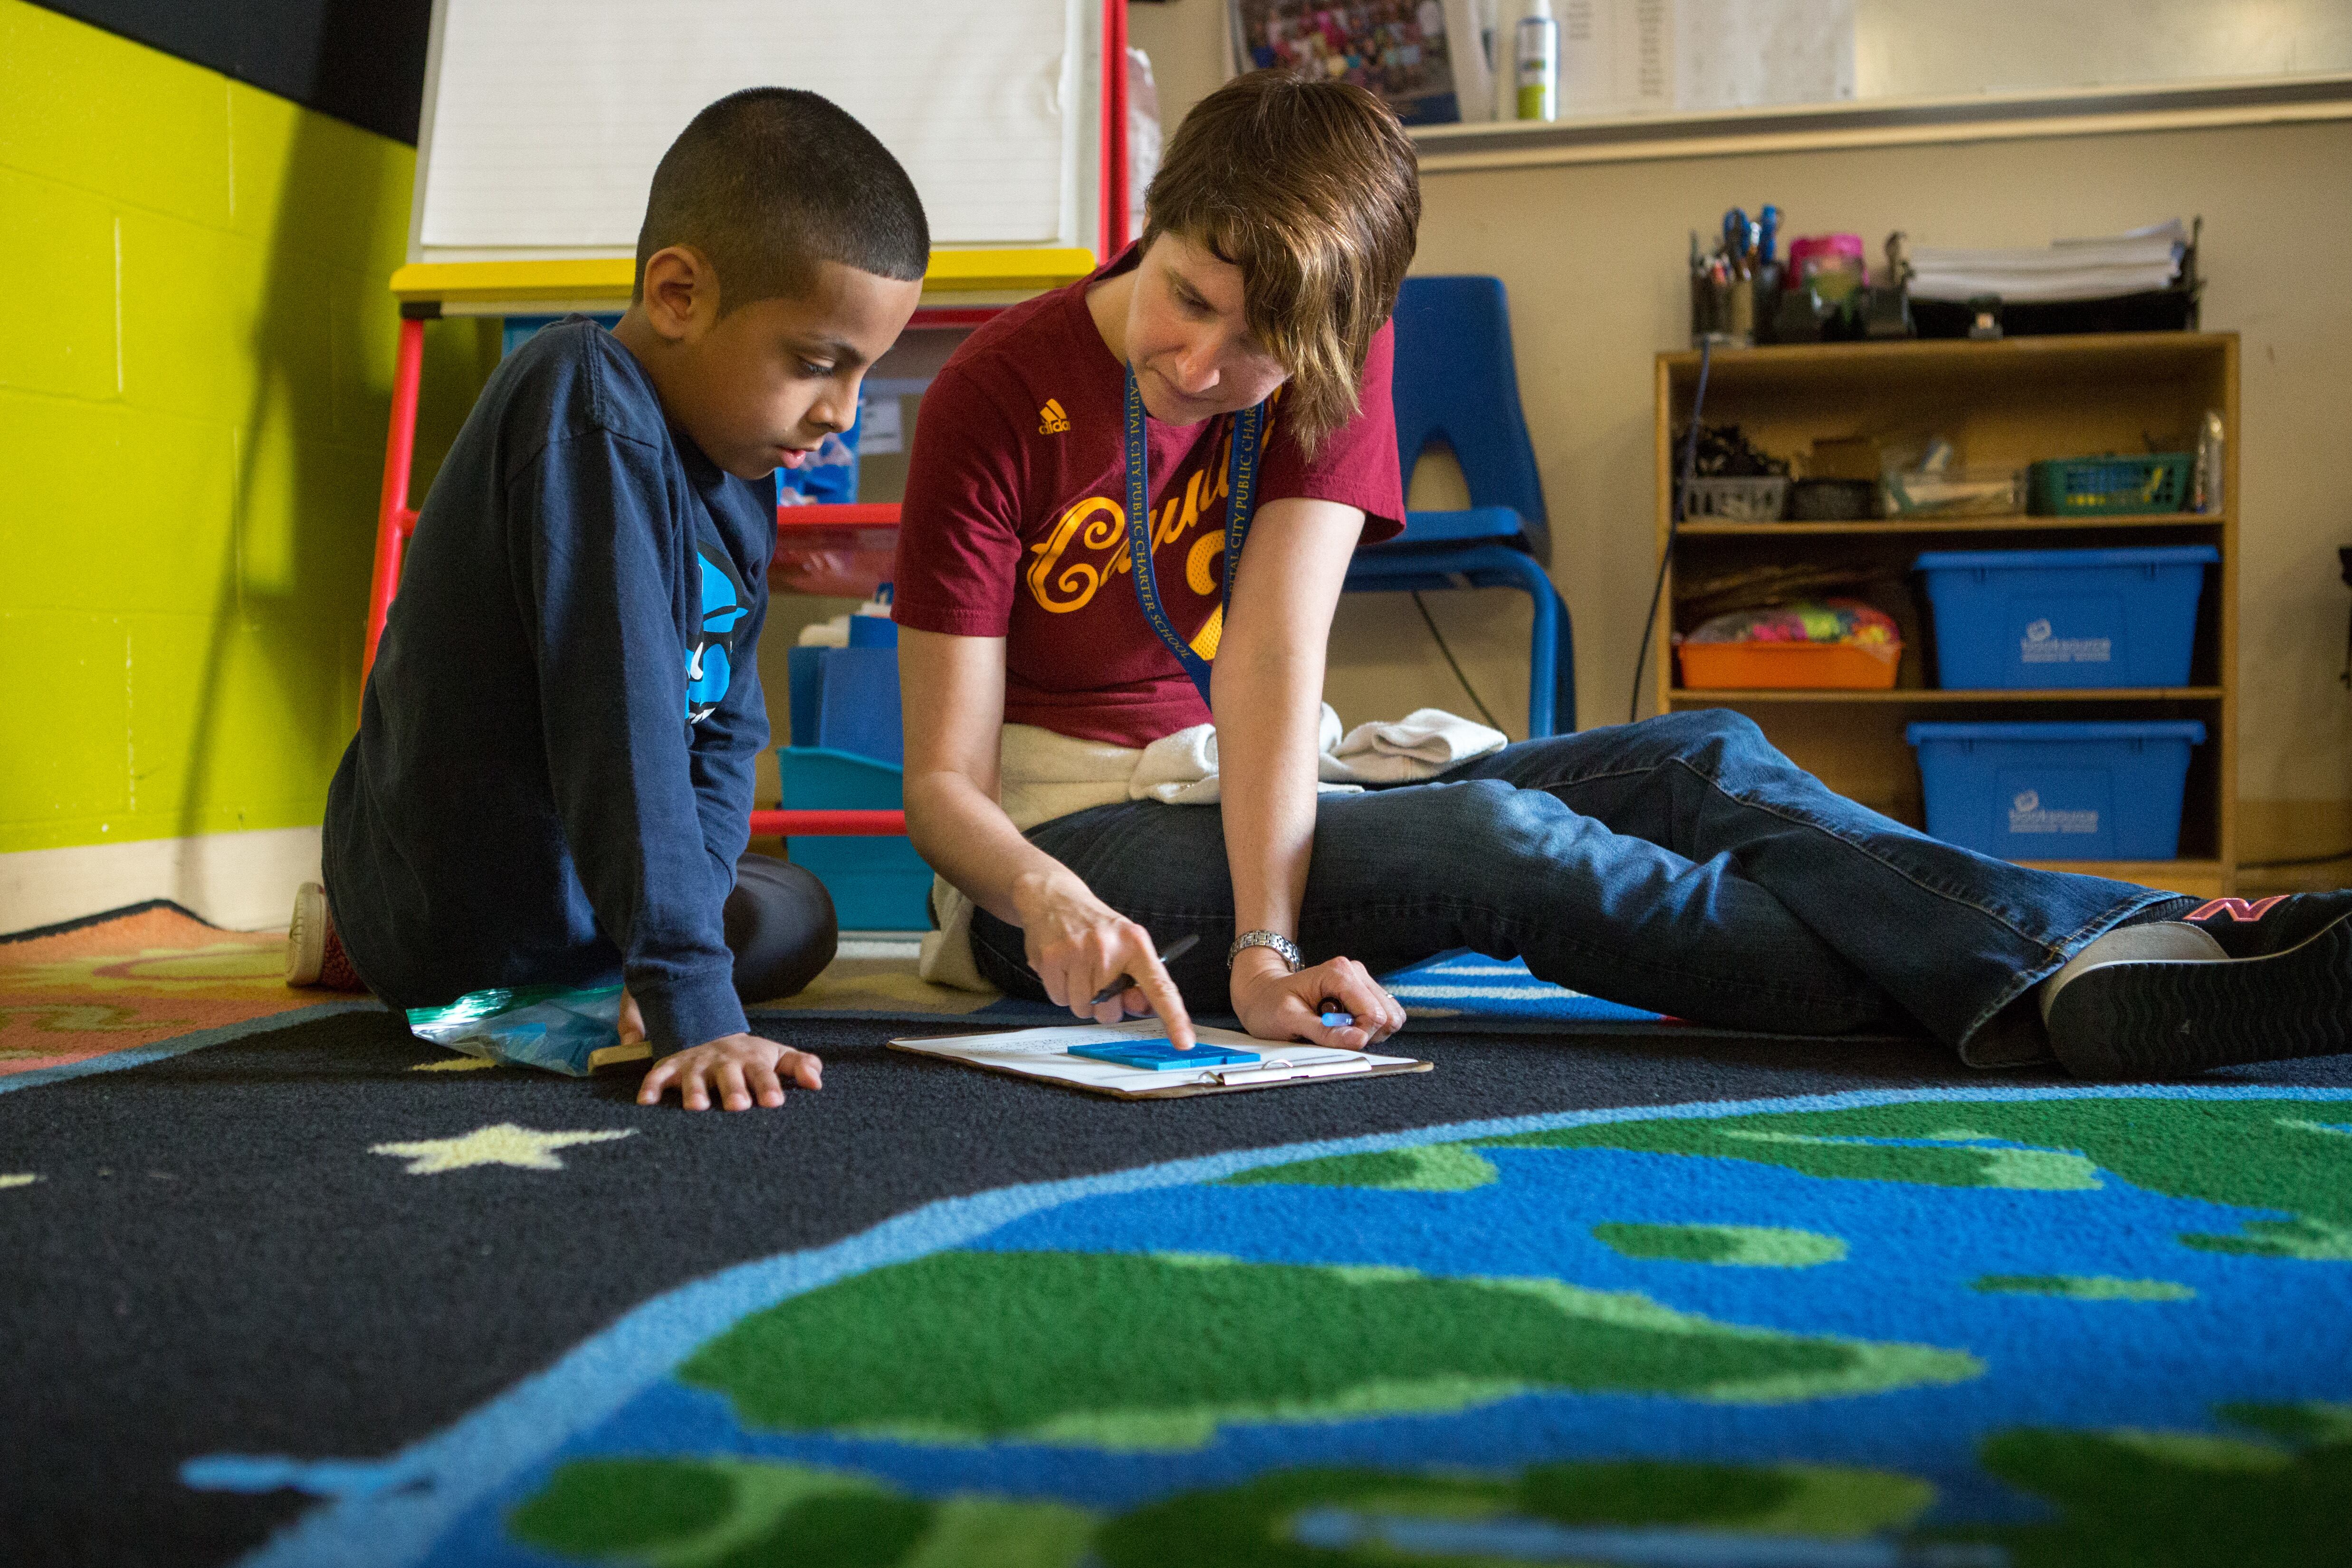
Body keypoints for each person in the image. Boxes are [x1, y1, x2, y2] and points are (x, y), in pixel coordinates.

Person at [889, 67, 2352, 1080]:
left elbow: (1272, 657)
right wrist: (1068, 906)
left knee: (1701, 752)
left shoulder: (1332, 341)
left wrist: (1267, 935)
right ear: (1154, 216)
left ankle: (2118, 949)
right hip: (1074, 849)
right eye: (1187, 300)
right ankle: (2065, 980)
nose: (1203, 367)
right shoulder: (992, 394)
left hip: (1241, 778)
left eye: (1253, 346)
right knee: (1499, 843)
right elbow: (942, 789)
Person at [303, 88, 927, 1111]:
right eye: (817, 365)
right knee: (719, 940)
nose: (841, 417)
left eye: (865, 376)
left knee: (799, 911)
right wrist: (692, 996)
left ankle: (631, 953)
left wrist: (683, 930)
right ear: (678, 294)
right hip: (467, 901)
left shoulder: (740, 470)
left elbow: (724, 727)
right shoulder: (580, 397)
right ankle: (362, 932)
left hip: (597, 901)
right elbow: (622, 714)